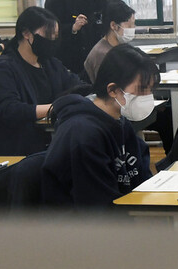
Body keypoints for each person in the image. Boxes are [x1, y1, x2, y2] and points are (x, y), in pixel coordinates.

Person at [40, 44, 157, 208]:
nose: (148, 97)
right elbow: (98, 207)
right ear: (113, 90)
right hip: (82, 228)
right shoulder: (82, 135)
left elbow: (142, 180)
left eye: (150, 90)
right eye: (142, 90)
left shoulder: (121, 122)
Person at [0, 6, 82, 156]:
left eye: (55, 36)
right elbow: (7, 109)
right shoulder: (4, 68)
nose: (52, 41)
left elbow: (76, 85)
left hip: (53, 141)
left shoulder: (51, 64)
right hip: (20, 147)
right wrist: (54, 108)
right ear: (26, 33)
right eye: (48, 35)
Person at [44, 0, 108, 76]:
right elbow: (49, 26)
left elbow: (103, 18)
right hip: (68, 54)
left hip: (93, 52)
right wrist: (72, 28)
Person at [84, 0, 137, 82]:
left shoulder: (118, 47)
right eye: (129, 26)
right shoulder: (102, 54)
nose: (133, 29)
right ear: (113, 25)